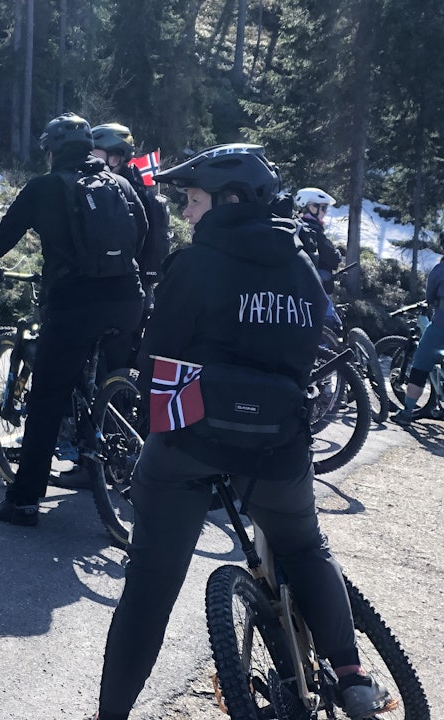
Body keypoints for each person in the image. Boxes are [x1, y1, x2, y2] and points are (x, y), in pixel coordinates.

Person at [95, 144, 391, 720]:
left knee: (150, 586)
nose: (184, 213)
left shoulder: (196, 264)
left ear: (227, 199)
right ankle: (351, 674)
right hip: (278, 448)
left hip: (190, 446)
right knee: (304, 546)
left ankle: (111, 715)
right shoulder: (303, 266)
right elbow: (310, 353)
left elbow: (156, 362)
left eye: (192, 199)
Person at [0, 113, 146, 524]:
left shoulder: (45, 187)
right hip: (127, 301)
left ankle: (24, 501)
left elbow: (4, 235)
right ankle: (110, 449)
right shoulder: (120, 184)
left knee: (47, 397)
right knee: (110, 376)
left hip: (74, 303)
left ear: (51, 151)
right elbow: (143, 233)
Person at [91, 122, 170, 307]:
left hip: (123, 293)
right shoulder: (136, 189)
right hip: (133, 291)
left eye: (94, 153)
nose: (88, 159)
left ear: (115, 157)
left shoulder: (126, 194)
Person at [392, 232, 444, 425]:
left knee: (420, 366)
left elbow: (430, 297)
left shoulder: (440, 270)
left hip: (441, 327)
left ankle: (407, 412)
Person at [295, 187, 342, 292]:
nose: (325, 212)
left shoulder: (296, 225)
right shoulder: (313, 231)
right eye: (324, 208)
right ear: (312, 208)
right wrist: (338, 255)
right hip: (313, 287)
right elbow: (332, 260)